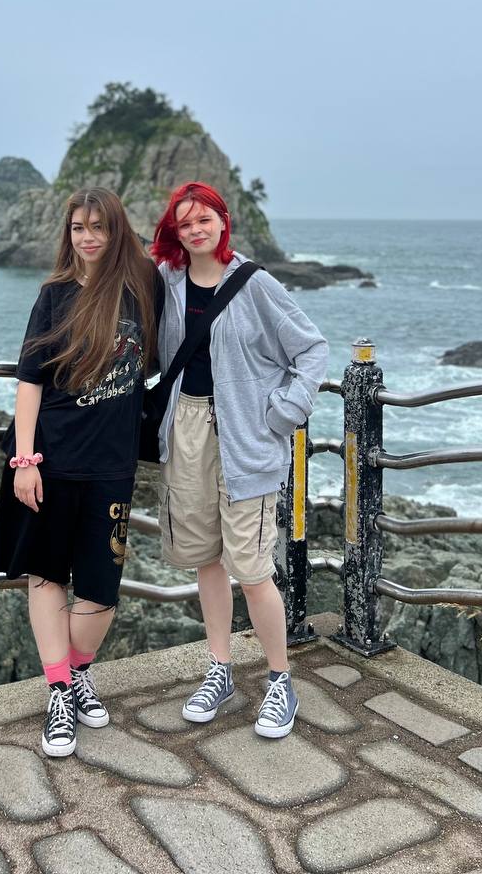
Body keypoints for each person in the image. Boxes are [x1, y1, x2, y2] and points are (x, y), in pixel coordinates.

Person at [150, 181, 328, 737]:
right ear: (176, 232)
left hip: (247, 437)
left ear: (224, 221)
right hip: (186, 430)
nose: (196, 229)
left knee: (252, 570)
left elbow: (312, 348)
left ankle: (280, 680)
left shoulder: (255, 284)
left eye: (204, 219)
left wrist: (284, 414)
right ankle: (220, 669)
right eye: (185, 223)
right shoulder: (168, 280)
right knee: (207, 559)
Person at [0, 187, 161, 757]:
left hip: (113, 464)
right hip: (51, 461)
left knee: (101, 590)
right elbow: (30, 380)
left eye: (99, 227)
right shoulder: (55, 295)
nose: (88, 238)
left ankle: (77, 669)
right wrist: (25, 460)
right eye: (78, 228)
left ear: (117, 231)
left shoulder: (142, 289)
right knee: (45, 576)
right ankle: (61, 691)